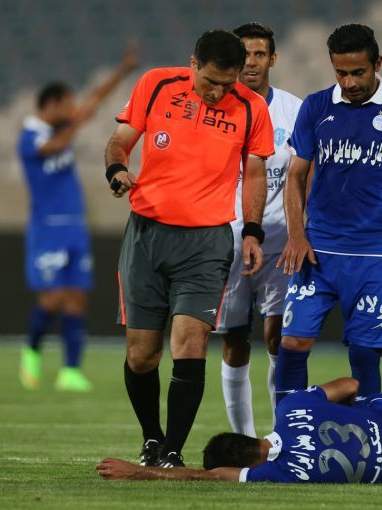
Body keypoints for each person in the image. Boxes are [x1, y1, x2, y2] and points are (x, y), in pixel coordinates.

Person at [104, 30, 274, 467]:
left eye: (227, 84)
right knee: (142, 355)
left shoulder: (252, 108)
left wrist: (252, 231)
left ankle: (173, 452)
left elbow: (255, 173)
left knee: (190, 343)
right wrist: (117, 170)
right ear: (193, 64)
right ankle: (152, 438)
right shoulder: (156, 84)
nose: (218, 92)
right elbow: (120, 140)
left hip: (206, 243)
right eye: (210, 81)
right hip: (147, 236)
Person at [276, 23, 382, 403]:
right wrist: (296, 234)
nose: (349, 82)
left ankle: (368, 426)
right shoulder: (316, 106)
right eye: (341, 73)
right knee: (293, 341)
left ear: (377, 63)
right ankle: (289, 425)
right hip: (319, 249)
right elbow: (296, 175)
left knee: (365, 350)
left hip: (373, 252)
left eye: (358, 72)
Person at [18, 45, 138, 392]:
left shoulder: (61, 127)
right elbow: (54, 148)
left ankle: (70, 370)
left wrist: (123, 69)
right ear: (51, 104)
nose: (73, 110)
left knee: (77, 298)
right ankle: (31, 349)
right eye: (67, 105)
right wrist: (76, 121)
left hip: (75, 225)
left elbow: (94, 99)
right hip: (47, 227)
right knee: (52, 298)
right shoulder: (29, 136)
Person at [215, 22, 302, 437]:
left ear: (273, 58)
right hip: (226, 239)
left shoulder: (295, 110)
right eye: (244, 54)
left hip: (280, 241)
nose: (251, 62)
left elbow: (305, 176)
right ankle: (245, 440)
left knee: (278, 337)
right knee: (234, 341)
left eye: (259, 54)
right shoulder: (217, 108)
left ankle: (281, 437)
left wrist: (302, 231)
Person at [96, 377, 382, 484]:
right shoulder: (291, 407)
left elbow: (205, 476)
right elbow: (351, 384)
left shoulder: (278, 474)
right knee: (359, 401)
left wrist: (137, 471)